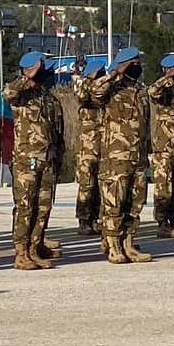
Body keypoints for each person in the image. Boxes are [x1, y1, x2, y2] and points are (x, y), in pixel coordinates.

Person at [3, 51, 64, 271]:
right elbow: (8, 93)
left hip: (47, 161)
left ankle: (34, 248)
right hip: (26, 160)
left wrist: (58, 160)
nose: (47, 71)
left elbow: (57, 134)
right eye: (42, 67)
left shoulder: (49, 99)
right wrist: (27, 76)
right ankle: (20, 252)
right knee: (25, 207)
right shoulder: (22, 96)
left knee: (43, 207)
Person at [94, 47, 152, 264]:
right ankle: (113, 245)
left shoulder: (140, 90)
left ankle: (129, 242)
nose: (139, 67)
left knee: (135, 203)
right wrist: (114, 73)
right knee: (115, 203)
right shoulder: (112, 88)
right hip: (117, 157)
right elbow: (93, 92)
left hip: (138, 156)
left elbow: (145, 124)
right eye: (135, 63)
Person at [147, 53, 174, 238]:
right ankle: (162, 223)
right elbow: (152, 92)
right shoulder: (162, 88)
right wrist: (167, 77)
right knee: (164, 186)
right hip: (164, 147)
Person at [73, 57, 107, 236]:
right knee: (87, 184)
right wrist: (88, 78)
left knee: (102, 184)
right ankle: (84, 219)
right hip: (88, 146)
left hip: (105, 144)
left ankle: (98, 218)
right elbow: (82, 96)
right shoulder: (85, 89)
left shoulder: (105, 92)